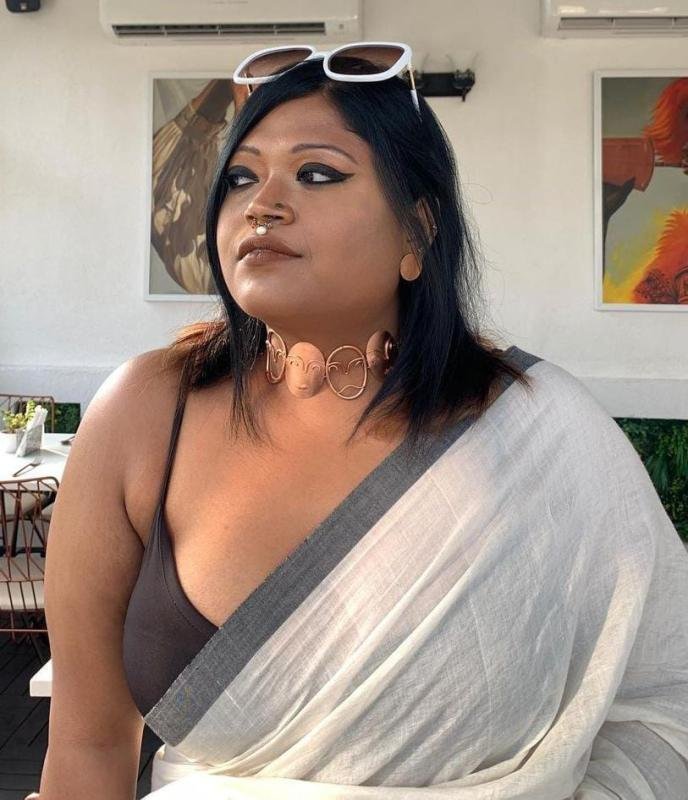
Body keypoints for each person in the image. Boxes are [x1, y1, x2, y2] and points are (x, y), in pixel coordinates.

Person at [30, 45, 688, 800]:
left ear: (416, 231)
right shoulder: (144, 413)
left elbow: (664, 693)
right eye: (241, 177)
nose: (263, 204)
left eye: (316, 173)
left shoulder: (540, 430)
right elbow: (87, 747)